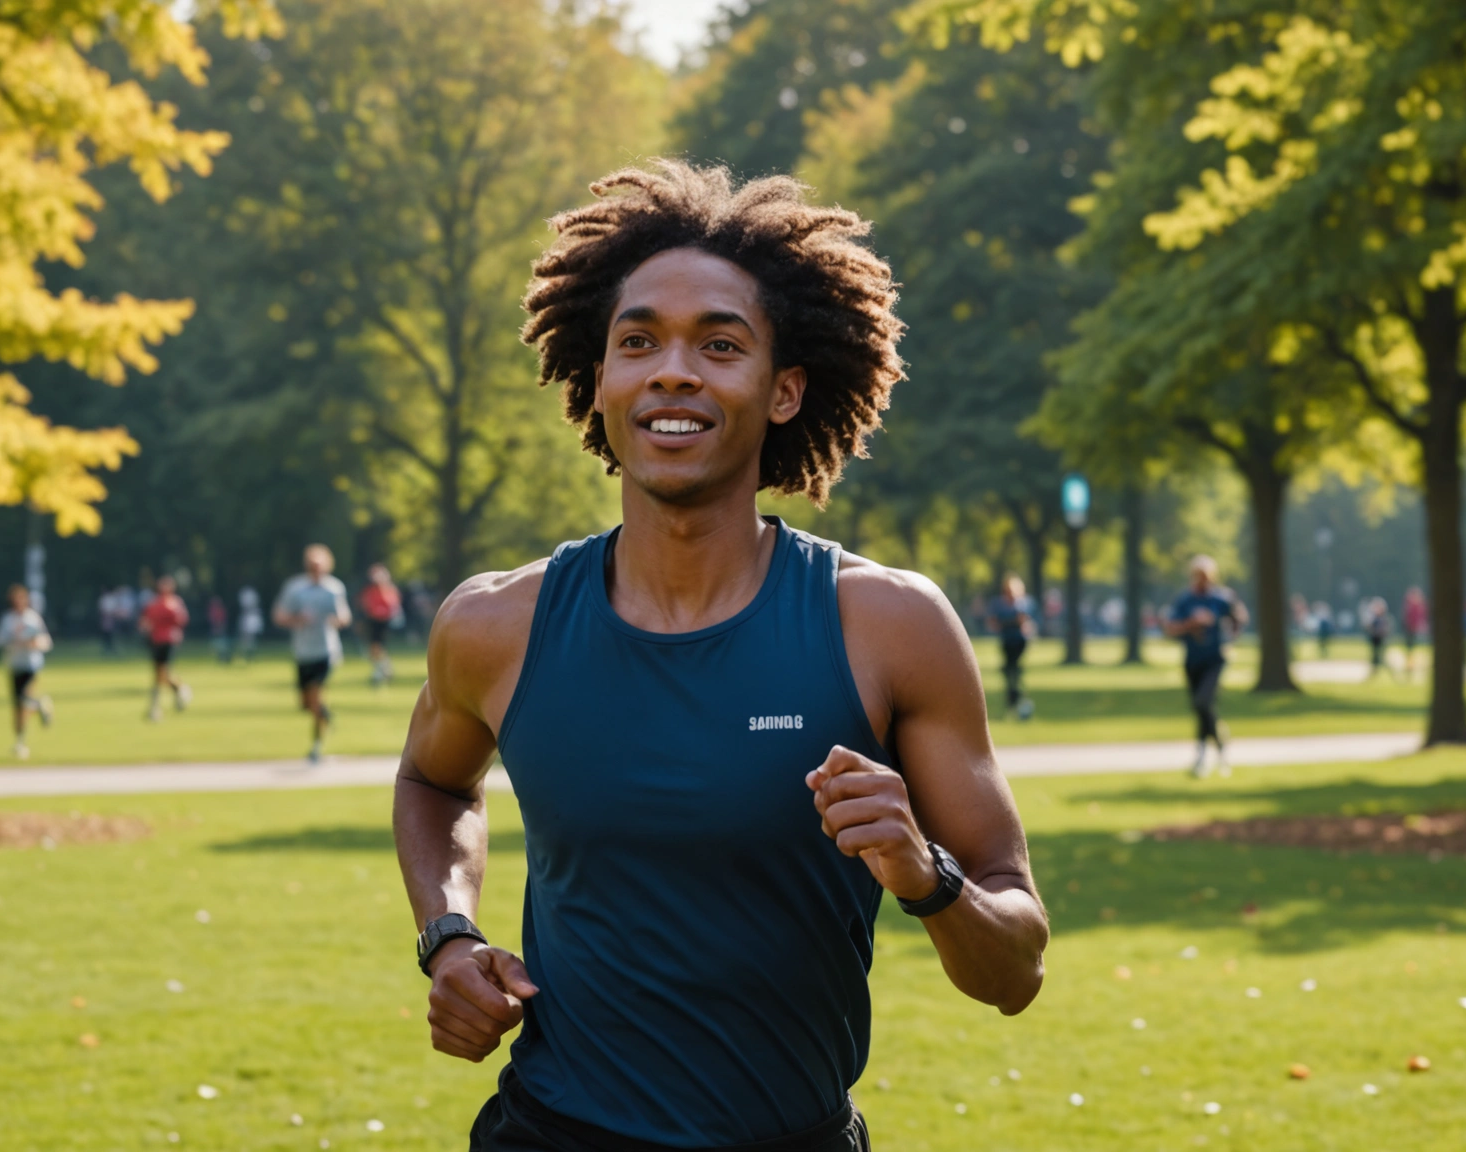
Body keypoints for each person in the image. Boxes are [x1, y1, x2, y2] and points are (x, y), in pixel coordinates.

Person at [394, 164, 1047, 1152]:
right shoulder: (495, 624)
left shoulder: (888, 626)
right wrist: (450, 935)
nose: (672, 371)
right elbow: (431, 784)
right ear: (599, 380)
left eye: (721, 344)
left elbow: (1015, 972)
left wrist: (924, 872)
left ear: (785, 391)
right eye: (638, 341)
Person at [1164, 555, 1246, 778]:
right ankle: (1216, 747)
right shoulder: (1185, 600)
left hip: (1214, 659)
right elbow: (1170, 628)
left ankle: (1204, 757)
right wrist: (1192, 624)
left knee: (1203, 701)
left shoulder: (1221, 598)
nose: (1202, 580)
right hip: (1193, 660)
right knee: (1202, 709)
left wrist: (1230, 636)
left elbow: (1239, 617)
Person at [273, 545, 351, 763]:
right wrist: (298, 619)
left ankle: (316, 745)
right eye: (312, 566)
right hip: (302, 651)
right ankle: (325, 716)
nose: (316, 570)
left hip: (326, 651)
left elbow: (344, 615)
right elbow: (279, 616)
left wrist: (338, 620)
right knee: (306, 704)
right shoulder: (295, 588)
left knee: (316, 698)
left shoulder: (334, 588)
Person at [0, 584, 53, 759]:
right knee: (18, 707)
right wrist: (11, 640)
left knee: (24, 698)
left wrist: (32, 643)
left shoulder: (32, 619)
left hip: (31, 664)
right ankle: (20, 742)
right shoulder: (7, 619)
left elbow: (46, 642)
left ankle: (38, 705)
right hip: (14, 664)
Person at [138, 575, 193, 721]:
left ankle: (156, 707)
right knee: (159, 675)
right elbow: (145, 622)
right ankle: (176, 693)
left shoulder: (174, 603)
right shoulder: (154, 603)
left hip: (168, 641)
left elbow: (181, 621)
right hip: (156, 641)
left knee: (162, 674)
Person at [984, 573, 1037, 719]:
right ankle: (1014, 699)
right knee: (1009, 671)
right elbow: (993, 623)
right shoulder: (999, 603)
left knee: (1012, 669)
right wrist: (1011, 623)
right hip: (1007, 641)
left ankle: (1016, 699)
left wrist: (1006, 623)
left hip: (1019, 641)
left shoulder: (1023, 603)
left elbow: (1022, 621)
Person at [359, 563, 405, 685]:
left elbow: (393, 606)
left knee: (377, 648)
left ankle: (381, 672)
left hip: (384, 622)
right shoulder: (370, 591)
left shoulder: (389, 590)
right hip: (373, 622)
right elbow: (366, 604)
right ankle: (384, 669)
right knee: (375, 649)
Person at [1400, 585, 1428, 682]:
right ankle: (1410, 665)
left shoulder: (1416, 606)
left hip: (1415, 629)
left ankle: (1413, 665)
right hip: (1411, 629)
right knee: (1410, 649)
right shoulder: (1412, 605)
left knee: (1414, 649)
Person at [1363, 596, 1394, 681]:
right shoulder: (1374, 619)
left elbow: (1385, 630)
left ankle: (1391, 675)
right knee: (1375, 659)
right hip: (1374, 640)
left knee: (1381, 659)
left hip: (1380, 640)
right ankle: (1373, 675)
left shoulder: (1384, 619)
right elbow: (1368, 628)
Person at [236, 585, 264, 663]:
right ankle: (246, 654)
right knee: (246, 639)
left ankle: (249, 655)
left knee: (250, 639)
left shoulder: (254, 612)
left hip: (250, 620)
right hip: (247, 619)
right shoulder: (249, 612)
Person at [207, 593, 231, 663]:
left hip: (220, 628)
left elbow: (222, 620)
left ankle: (224, 657)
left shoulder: (220, 610)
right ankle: (220, 657)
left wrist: (219, 627)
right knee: (217, 643)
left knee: (221, 643)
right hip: (215, 628)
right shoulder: (212, 610)